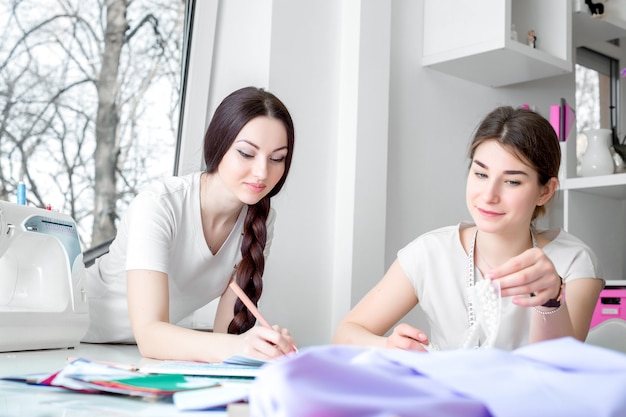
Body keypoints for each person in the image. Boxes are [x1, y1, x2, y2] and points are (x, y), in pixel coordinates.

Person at [333, 106, 604, 352]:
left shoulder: (573, 262)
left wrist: (551, 300)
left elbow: (556, 372)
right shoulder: (430, 253)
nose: (488, 196)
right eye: (481, 174)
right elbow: (345, 335)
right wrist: (390, 348)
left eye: (511, 182)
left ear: (545, 191)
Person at [82, 86, 297, 362]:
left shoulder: (261, 220)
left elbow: (225, 340)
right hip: (72, 334)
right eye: (246, 153)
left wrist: (263, 348)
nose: (262, 172)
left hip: (131, 354)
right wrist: (240, 346)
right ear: (219, 145)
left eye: (277, 158)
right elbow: (150, 335)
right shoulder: (159, 204)